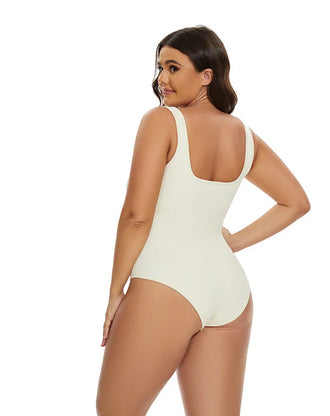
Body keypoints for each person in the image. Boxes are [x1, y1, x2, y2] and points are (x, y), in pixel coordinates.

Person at [96, 24, 310, 416]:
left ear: (206, 75)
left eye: (173, 68)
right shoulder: (244, 136)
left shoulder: (162, 121)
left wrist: (115, 293)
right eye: (160, 67)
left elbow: (136, 217)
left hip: (165, 284)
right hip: (230, 292)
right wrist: (232, 243)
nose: (162, 79)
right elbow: (295, 202)